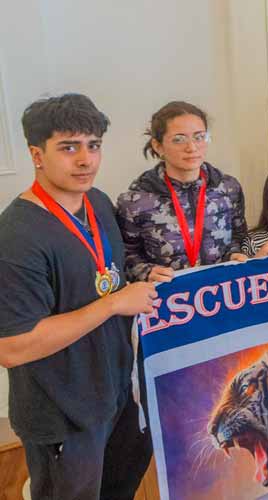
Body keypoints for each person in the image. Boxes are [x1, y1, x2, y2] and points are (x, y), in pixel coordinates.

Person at [0, 94, 155, 500]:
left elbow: (106, 278)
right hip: (63, 412)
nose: (86, 160)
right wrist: (113, 303)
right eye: (69, 148)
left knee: (119, 488)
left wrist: (141, 278)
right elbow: (13, 347)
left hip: (117, 393)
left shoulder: (97, 203)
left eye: (93, 145)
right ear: (37, 154)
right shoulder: (16, 236)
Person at [117, 101, 248, 285]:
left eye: (199, 137)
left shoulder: (228, 188)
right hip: (171, 297)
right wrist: (146, 272)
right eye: (179, 139)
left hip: (222, 291)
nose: (192, 147)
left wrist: (234, 254)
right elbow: (125, 256)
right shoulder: (135, 201)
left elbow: (239, 237)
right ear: (158, 145)